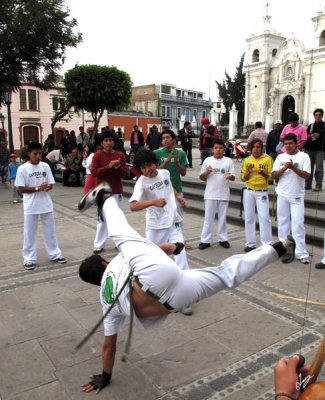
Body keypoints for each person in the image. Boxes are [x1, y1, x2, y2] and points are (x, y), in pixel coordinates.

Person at [77, 183, 295, 394]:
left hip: (174, 300)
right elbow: (160, 249)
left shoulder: (106, 301)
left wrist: (104, 376)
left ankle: (279, 248)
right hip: (154, 274)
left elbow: (109, 347)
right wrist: (175, 247)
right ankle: (105, 197)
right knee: (120, 232)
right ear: (104, 263)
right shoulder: (116, 262)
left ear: (95, 282)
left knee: (225, 275)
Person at [129, 149, 188, 273]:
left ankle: (185, 278)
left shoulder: (164, 173)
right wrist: (153, 202)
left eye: (149, 165)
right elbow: (132, 206)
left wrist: (178, 197)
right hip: (156, 225)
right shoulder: (141, 183)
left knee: (180, 251)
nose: (148, 169)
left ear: (155, 163)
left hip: (173, 221)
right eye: (143, 167)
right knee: (152, 257)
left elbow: (169, 186)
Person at [15, 141, 67, 270]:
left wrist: (48, 187)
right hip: (30, 206)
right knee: (29, 233)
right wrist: (38, 188)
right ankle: (29, 258)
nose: (38, 156)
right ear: (29, 154)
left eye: (40, 153)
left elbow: (51, 184)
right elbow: (21, 189)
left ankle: (55, 254)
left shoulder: (45, 166)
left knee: (50, 231)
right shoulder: (23, 168)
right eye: (35, 154)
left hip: (45, 204)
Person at [272, 133, 311, 264]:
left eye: (290, 143)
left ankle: (301, 252)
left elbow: (306, 176)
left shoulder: (304, 157)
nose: (288, 146)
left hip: (297, 196)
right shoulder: (280, 157)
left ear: (296, 144)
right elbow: (273, 175)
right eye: (285, 144)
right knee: (283, 223)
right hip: (282, 194)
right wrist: (285, 168)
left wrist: (293, 167)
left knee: (298, 224)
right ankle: (284, 249)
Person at [154, 129, 190, 263]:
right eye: (163, 138)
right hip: (161, 191)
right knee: (162, 216)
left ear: (173, 139)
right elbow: (155, 171)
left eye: (168, 137)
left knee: (178, 217)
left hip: (177, 188)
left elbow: (184, 172)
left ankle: (181, 241)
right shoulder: (157, 153)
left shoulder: (180, 153)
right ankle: (163, 241)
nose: (165, 140)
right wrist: (166, 161)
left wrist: (176, 163)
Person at [90, 131, 126, 254]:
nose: (108, 143)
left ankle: (119, 242)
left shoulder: (120, 155)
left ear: (114, 142)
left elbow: (124, 173)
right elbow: (94, 172)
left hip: (116, 191)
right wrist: (108, 167)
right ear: (102, 143)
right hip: (102, 192)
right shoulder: (97, 155)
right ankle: (98, 244)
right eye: (106, 141)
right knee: (102, 219)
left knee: (118, 218)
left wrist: (117, 167)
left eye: (110, 140)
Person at [198, 139, 235, 250]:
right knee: (208, 218)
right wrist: (207, 172)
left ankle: (223, 239)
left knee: (222, 218)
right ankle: (205, 240)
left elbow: (233, 177)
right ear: (212, 149)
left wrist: (230, 177)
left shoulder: (228, 161)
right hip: (210, 194)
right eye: (216, 148)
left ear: (224, 149)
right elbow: (201, 177)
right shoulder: (207, 160)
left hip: (223, 193)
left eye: (220, 148)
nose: (218, 150)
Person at [240, 138, 273, 252]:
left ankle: (266, 244)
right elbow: (242, 178)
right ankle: (250, 243)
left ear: (262, 148)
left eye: (258, 147)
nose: (255, 149)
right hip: (248, 191)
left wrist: (265, 174)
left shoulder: (268, 159)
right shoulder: (247, 160)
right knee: (249, 218)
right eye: (253, 147)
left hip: (262, 191)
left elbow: (272, 177)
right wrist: (248, 172)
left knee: (264, 218)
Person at [304, 108, 325, 191]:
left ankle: (318, 185)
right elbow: (305, 135)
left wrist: (319, 135)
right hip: (309, 149)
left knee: (319, 167)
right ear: (314, 116)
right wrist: (309, 136)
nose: (318, 116)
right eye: (316, 115)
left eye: (319, 115)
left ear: (322, 116)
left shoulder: (324, 125)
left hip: (320, 149)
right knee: (309, 167)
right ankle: (308, 184)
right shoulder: (311, 126)